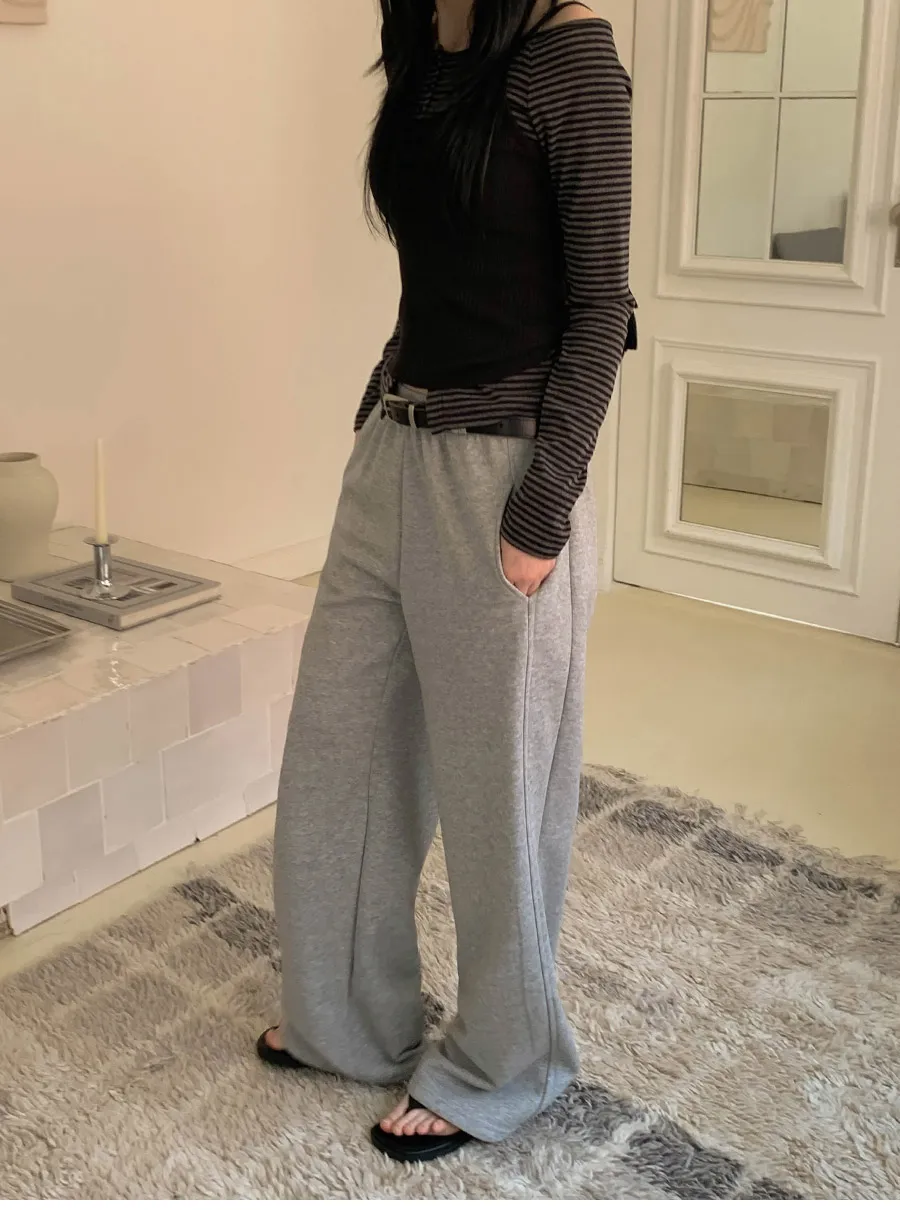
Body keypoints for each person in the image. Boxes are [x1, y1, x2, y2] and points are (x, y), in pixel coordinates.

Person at [258, 0, 636, 1165]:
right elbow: (443, 265)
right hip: (394, 453)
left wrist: (544, 501)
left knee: (496, 792)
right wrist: (383, 390)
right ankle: (347, 1019)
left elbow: (601, 308)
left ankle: (508, 1061)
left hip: (499, 475)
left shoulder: (570, 57)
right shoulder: (431, 46)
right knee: (339, 752)